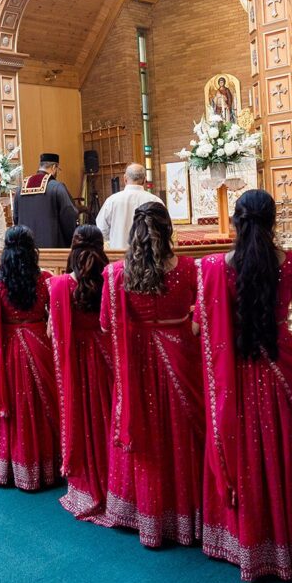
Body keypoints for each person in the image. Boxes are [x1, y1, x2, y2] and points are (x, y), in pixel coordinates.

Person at [194, 189, 292, 582]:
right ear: (272, 222)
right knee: (282, 451)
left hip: (240, 374)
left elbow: (202, 326)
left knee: (245, 451)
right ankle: (289, 548)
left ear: (235, 221)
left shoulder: (215, 268)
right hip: (280, 370)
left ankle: (247, 543)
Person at [101, 203, 205, 547]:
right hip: (180, 357)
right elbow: (199, 318)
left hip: (139, 364)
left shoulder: (117, 274)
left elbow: (105, 323)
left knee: (148, 434)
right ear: (169, 229)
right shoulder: (189, 269)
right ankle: (188, 515)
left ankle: (146, 514)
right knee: (181, 434)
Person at [0, 226, 60, 490]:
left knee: (17, 408)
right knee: (42, 406)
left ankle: (17, 467)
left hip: (10, 350)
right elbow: (54, 316)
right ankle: (48, 465)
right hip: (40, 344)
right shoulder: (44, 278)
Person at [48, 226, 113, 522]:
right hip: (109, 357)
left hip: (79, 363)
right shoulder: (112, 278)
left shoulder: (61, 285)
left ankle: (90, 482)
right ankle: (119, 486)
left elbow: (53, 332)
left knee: (89, 419)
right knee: (111, 416)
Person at [13, 154, 78, 249]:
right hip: (53, 250)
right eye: (58, 170)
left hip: (26, 250)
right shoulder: (57, 187)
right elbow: (69, 215)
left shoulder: (20, 189)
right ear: (54, 167)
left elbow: (16, 218)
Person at [96, 163, 164, 250]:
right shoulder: (155, 201)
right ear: (144, 180)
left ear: (125, 179)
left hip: (119, 257)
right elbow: (165, 230)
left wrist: (114, 239)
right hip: (148, 258)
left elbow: (101, 230)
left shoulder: (112, 201)